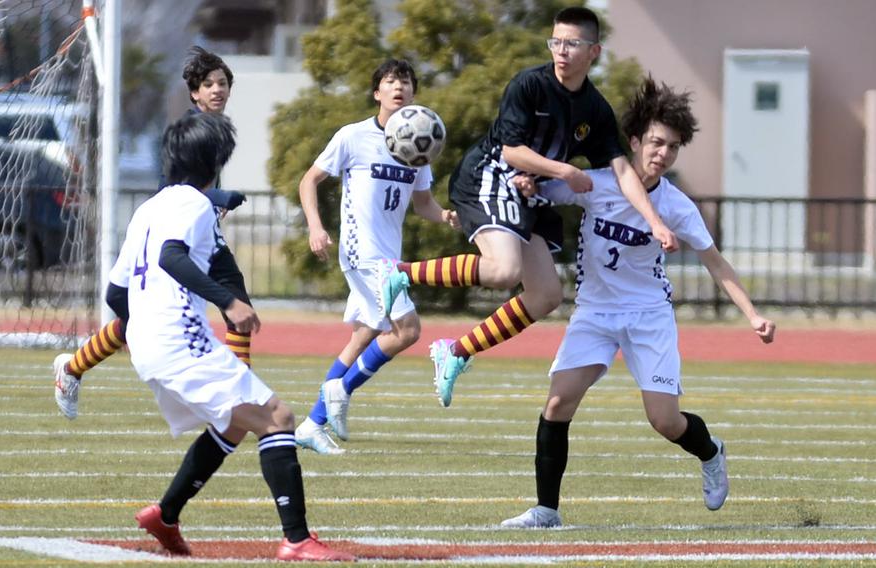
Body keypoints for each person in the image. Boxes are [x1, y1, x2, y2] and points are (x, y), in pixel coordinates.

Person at [499, 77, 776, 529]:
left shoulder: (677, 206)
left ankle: (711, 451)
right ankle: (546, 510)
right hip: (594, 312)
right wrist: (529, 186)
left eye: (672, 147)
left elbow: (715, 263)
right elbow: (544, 188)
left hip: (648, 316)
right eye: (655, 142)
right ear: (633, 141)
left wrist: (753, 315)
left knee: (664, 421)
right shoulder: (599, 183)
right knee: (557, 403)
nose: (662, 153)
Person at [376, 6, 679, 408]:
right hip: (489, 175)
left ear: (594, 52)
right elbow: (510, 151)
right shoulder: (529, 86)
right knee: (504, 271)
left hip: (527, 193)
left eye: (572, 43)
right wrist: (564, 171)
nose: (562, 51)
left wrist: (655, 221)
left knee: (546, 295)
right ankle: (400, 273)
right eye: (556, 42)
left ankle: (456, 351)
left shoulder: (596, 110)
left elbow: (624, 171)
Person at [110, 111, 353, 561]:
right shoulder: (194, 204)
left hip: (151, 345)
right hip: (179, 341)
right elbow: (172, 257)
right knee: (279, 417)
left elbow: (114, 292)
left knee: (232, 424)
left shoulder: (148, 207)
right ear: (214, 161)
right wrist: (229, 301)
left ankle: (165, 514)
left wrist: (139, 332)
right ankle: (297, 540)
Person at [54, 46, 249, 420]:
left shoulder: (215, 129)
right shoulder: (186, 131)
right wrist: (219, 196)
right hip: (173, 239)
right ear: (194, 93)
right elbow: (169, 186)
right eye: (208, 84)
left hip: (205, 237)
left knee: (239, 310)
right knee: (138, 320)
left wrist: (214, 203)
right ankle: (73, 367)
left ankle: (241, 396)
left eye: (222, 83)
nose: (216, 90)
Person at [294, 58, 460, 455]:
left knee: (366, 333)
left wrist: (447, 215)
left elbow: (423, 204)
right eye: (390, 81)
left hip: (390, 258)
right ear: (377, 92)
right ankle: (340, 389)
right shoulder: (353, 136)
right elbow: (308, 181)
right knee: (409, 330)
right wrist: (316, 227)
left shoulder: (420, 139)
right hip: (362, 253)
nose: (398, 87)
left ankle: (312, 424)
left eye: (405, 81)